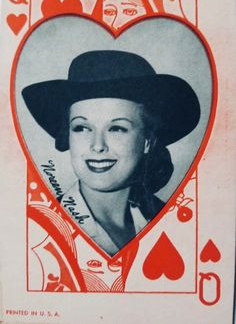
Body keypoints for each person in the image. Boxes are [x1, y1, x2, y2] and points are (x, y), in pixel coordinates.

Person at [22, 50, 200, 256]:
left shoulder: (174, 223)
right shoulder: (38, 230)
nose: (97, 146)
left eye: (117, 128)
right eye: (81, 128)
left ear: (147, 142)